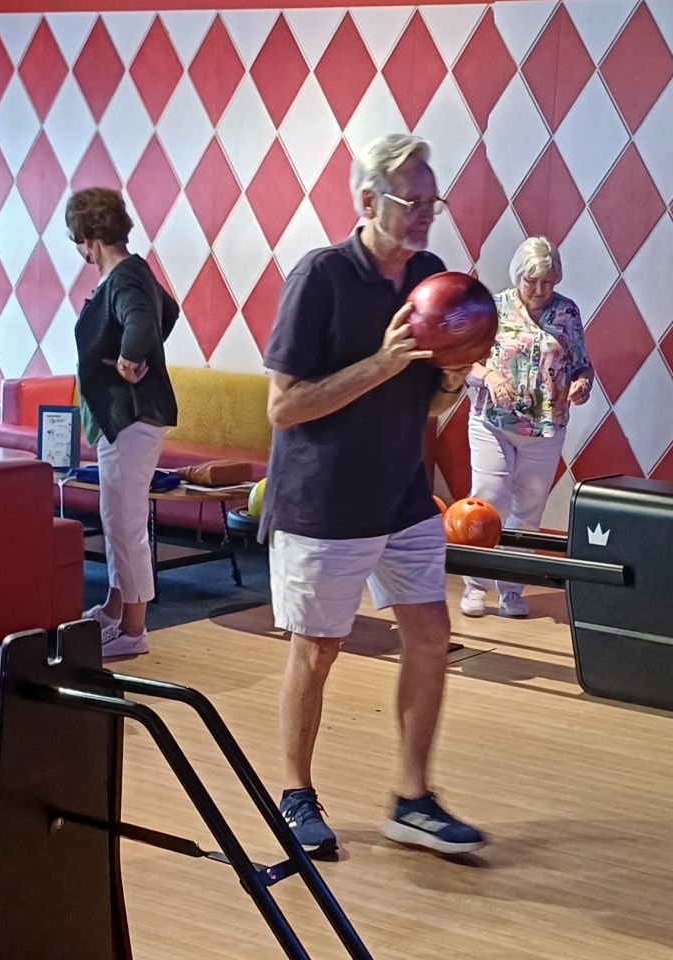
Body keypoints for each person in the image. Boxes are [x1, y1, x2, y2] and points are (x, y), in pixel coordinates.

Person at [261, 134, 484, 857]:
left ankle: (412, 800)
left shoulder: (429, 276)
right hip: (323, 504)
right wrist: (384, 363)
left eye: (432, 200)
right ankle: (294, 797)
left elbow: (426, 406)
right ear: (367, 201)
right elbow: (284, 406)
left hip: (402, 498)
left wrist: (451, 377)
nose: (425, 214)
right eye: (410, 200)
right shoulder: (320, 276)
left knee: (430, 636)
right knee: (316, 651)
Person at [68, 188, 178, 659]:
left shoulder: (125, 278)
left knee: (125, 522)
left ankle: (133, 630)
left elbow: (143, 321)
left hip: (131, 416)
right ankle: (116, 608)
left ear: (90, 239)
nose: (78, 251)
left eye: (77, 241)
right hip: (126, 418)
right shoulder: (132, 272)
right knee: (117, 519)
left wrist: (131, 360)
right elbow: (166, 311)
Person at [459, 236, 593, 619]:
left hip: (547, 427)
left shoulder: (567, 313)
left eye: (548, 282)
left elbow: (582, 363)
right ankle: (474, 585)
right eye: (531, 281)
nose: (539, 290)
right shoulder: (493, 308)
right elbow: (464, 361)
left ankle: (512, 590)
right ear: (518, 276)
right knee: (488, 499)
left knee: (529, 510)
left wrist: (582, 384)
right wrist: (488, 376)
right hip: (493, 421)